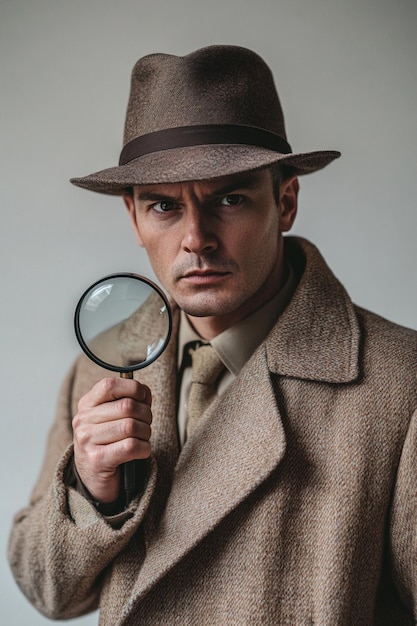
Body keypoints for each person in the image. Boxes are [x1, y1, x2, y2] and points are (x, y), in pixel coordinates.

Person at [8, 45, 417, 625]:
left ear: (286, 201)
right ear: (133, 218)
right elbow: (46, 591)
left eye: (229, 198)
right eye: (164, 206)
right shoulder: (101, 366)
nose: (196, 238)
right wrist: (93, 492)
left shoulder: (402, 386)